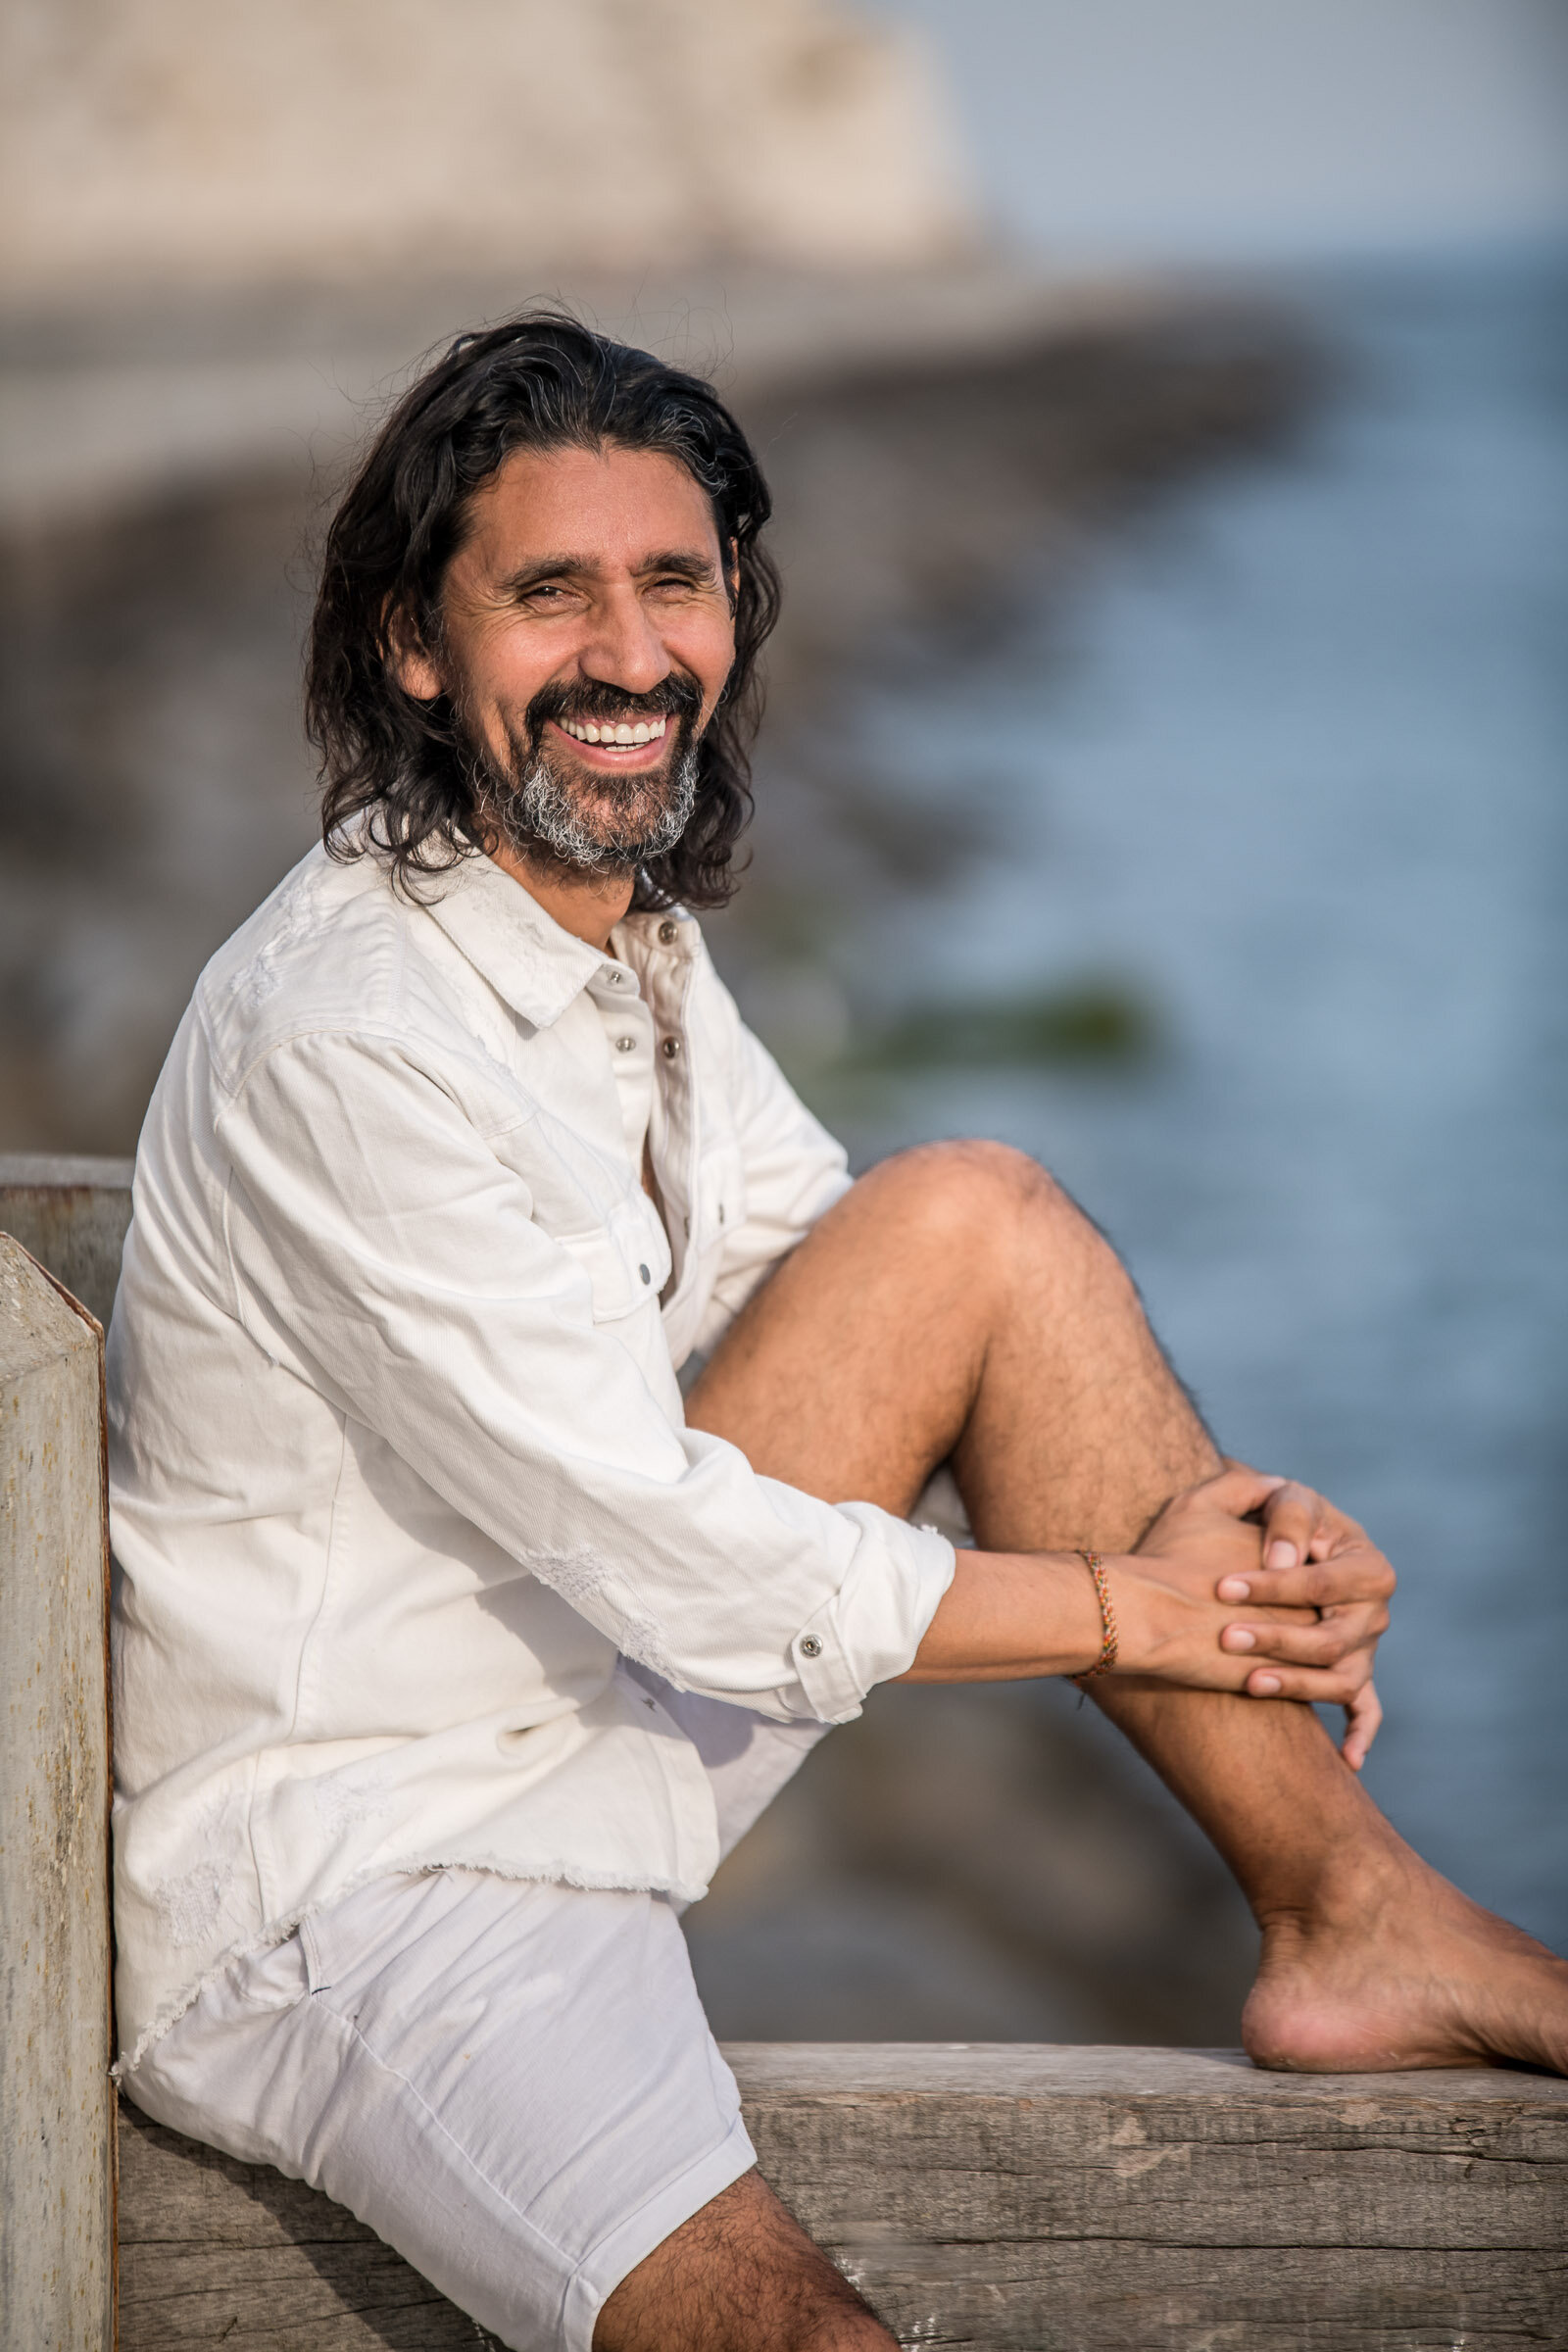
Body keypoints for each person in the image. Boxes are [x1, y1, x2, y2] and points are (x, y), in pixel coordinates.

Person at [109, 314, 1568, 2352]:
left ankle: (1351, 1911)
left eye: (673, 583)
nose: (630, 655)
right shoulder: (351, 1031)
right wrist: (1129, 1612)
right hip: (367, 1875)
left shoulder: (607, 938)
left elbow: (838, 1259)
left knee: (976, 1215)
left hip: (572, 1722)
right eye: (549, 593)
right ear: (410, 647)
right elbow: (675, 1553)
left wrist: (1221, 1537)